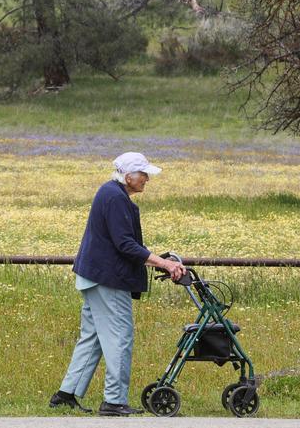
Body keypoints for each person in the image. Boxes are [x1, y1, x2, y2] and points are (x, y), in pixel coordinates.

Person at [49, 152, 186, 416]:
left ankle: (65, 395)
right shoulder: (115, 198)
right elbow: (125, 245)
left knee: (93, 339)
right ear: (128, 176)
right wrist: (166, 264)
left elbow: (123, 243)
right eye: (143, 174)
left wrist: (158, 260)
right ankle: (114, 400)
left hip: (94, 276)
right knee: (120, 338)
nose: (147, 179)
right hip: (108, 279)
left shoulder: (110, 193)